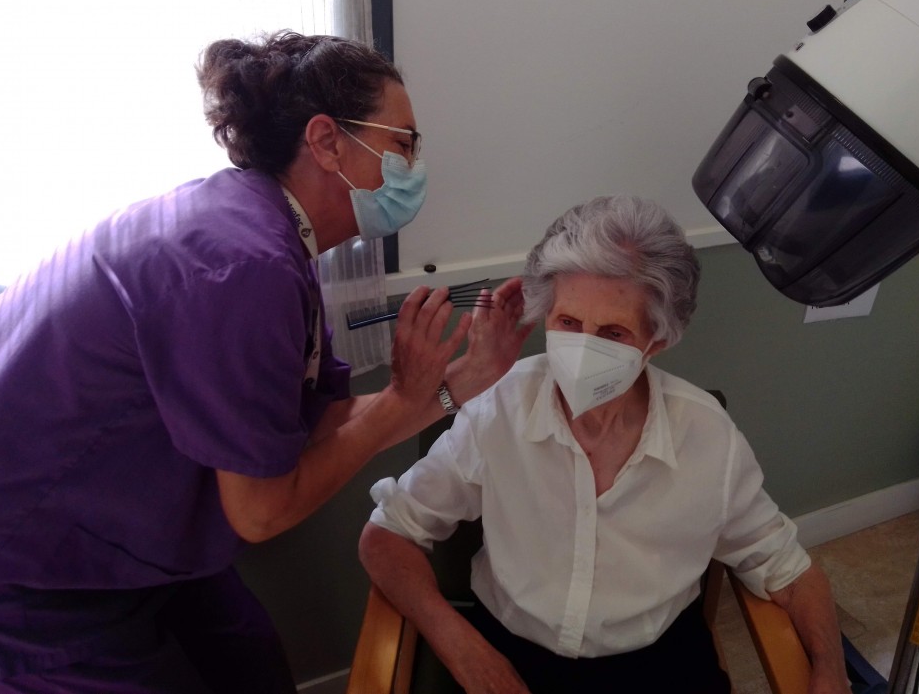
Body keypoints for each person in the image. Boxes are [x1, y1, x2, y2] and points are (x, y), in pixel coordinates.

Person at [0, 31, 530, 692]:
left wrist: (461, 381)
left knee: (249, 658)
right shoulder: (244, 265)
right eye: (403, 143)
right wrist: (403, 400)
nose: (414, 164)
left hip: (122, 535)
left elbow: (314, 422)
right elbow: (260, 512)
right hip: (22, 574)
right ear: (326, 141)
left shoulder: (266, 234)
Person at [359, 195, 851, 694]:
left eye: (613, 332)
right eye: (568, 323)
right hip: (511, 650)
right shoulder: (499, 407)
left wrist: (831, 671)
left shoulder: (707, 435)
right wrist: (459, 645)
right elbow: (386, 536)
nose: (583, 350)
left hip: (656, 663)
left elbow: (789, 570)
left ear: (657, 341)